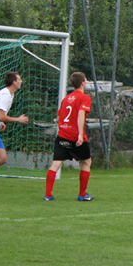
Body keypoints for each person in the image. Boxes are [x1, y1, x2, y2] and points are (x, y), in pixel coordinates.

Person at [44, 72, 93, 202]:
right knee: (86, 162)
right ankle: (82, 194)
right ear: (82, 83)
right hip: (75, 136)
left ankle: (48, 195)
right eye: (86, 80)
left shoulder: (66, 99)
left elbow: (59, 117)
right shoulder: (85, 97)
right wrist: (80, 135)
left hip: (62, 135)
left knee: (55, 164)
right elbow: (81, 114)